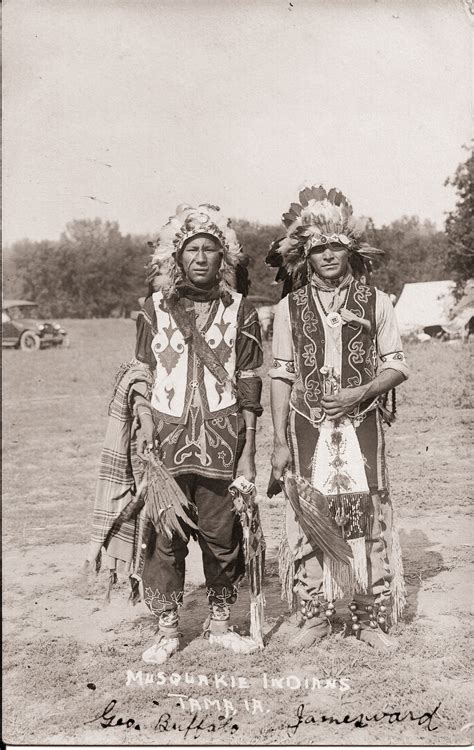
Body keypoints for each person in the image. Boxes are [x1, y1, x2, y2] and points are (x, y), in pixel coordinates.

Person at [88, 203, 263, 663]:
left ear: (222, 258)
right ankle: (167, 628)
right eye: (192, 249)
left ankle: (221, 623)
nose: (201, 257)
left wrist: (249, 449)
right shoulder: (154, 308)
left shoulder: (241, 309)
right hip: (166, 441)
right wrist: (144, 418)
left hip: (223, 438)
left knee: (223, 535)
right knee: (166, 537)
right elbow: (142, 370)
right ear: (177, 258)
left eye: (210, 249)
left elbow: (248, 379)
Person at [266, 185, 408, 650]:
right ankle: (318, 614)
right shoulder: (289, 308)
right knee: (311, 511)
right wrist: (280, 440)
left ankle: (368, 615)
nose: (328, 255)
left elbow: (397, 364)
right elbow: (282, 374)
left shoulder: (377, 300)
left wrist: (359, 392)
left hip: (361, 424)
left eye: (336, 246)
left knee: (366, 515)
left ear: (351, 250)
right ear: (304, 256)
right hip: (308, 426)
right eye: (318, 248)